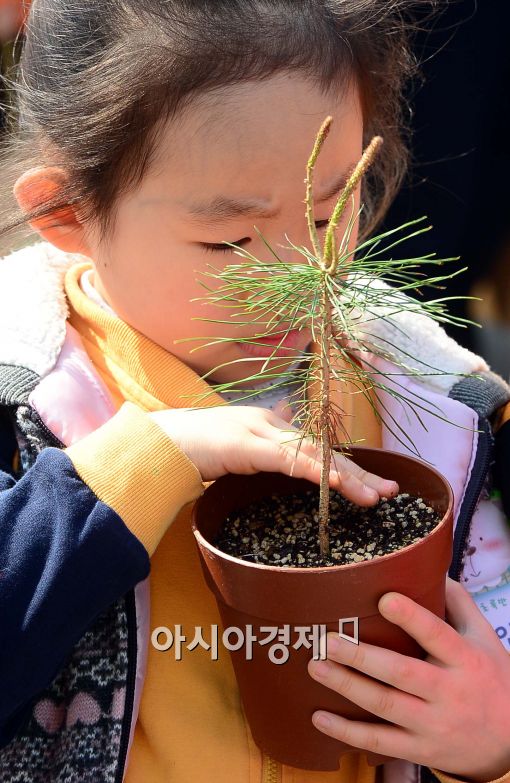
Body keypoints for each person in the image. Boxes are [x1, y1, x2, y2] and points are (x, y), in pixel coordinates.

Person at [0, 2, 509, 782]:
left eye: (329, 211)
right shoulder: (24, 402)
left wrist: (493, 744)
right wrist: (137, 469)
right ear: (64, 209)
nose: (301, 275)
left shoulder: (429, 398)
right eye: (229, 240)